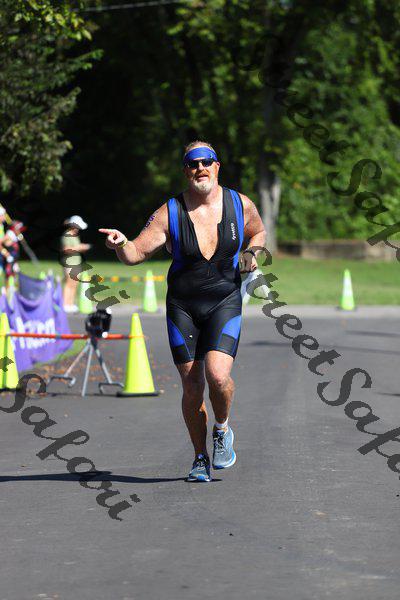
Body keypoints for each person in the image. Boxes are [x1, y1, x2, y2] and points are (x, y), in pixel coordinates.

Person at [99, 141, 266, 482]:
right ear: (185, 170)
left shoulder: (240, 204)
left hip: (224, 301)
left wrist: (253, 252)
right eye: (192, 163)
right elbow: (135, 254)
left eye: (206, 162)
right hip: (183, 307)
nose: (200, 168)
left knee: (218, 377)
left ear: (217, 166)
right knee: (192, 386)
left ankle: (222, 429)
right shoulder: (170, 212)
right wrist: (120, 244)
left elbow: (259, 232)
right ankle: (200, 457)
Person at [61, 215, 91, 313]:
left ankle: (70, 304)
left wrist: (80, 247)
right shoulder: (67, 235)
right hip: (69, 263)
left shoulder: (74, 235)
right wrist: (80, 247)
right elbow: (66, 249)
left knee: (74, 284)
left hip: (76, 263)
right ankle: (65, 304)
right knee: (69, 284)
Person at [0, 220, 26, 285]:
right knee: (9, 272)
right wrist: (6, 253)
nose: (20, 230)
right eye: (18, 229)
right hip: (10, 257)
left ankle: (13, 287)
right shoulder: (9, 235)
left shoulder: (16, 234)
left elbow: (22, 242)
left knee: (15, 272)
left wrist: (20, 236)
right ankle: (7, 288)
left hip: (15, 257)